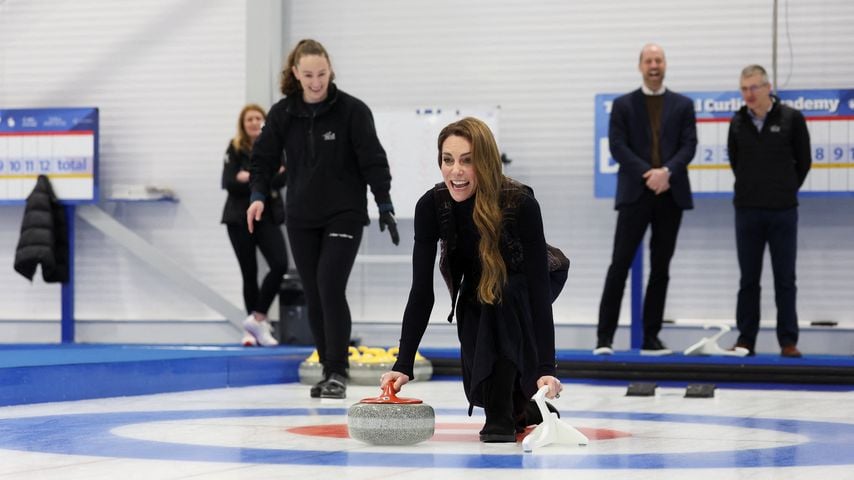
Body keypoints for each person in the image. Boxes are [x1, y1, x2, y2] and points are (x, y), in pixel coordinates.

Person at [380, 117, 567, 443]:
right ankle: (522, 407)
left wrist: (546, 368)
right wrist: (403, 362)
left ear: (486, 162)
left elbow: (537, 289)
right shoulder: (431, 206)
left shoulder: (520, 202)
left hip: (534, 279)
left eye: (467, 161)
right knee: (475, 312)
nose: (456, 171)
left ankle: (500, 415)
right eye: (448, 160)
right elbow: (422, 292)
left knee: (502, 297)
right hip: (479, 286)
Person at [247, 39, 399, 399]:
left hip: (344, 213)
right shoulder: (284, 113)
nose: (316, 82)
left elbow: (373, 160)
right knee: (314, 293)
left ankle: (336, 372)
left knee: (330, 284)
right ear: (296, 74)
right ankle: (326, 366)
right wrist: (256, 195)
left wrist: (384, 202)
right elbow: (263, 159)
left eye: (322, 74)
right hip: (301, 215)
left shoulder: (352, 111)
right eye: (309, 75)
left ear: (331, 71)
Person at [594, 43, 697, 356]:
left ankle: (651, 338)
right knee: (619, 265)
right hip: (635, 194)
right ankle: (604, 338)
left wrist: (666, 172)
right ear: (641, 66)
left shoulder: (683, 105)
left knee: (661, 268)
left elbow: (689, 145)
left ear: (665, 65)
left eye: (659, 60)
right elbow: (617, 146)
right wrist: (649, 174)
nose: (654, 65)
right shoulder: (624, 105)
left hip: (670, 194)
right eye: (649, 60)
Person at [727, 64, 811, 358]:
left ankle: (788, 340)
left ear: (767, 87)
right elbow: (735, 163)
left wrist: (784, 189)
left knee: (784, 278)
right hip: (747, 211)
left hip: (783, 211)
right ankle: (745, 340)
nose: (749, 94)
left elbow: (804, 162)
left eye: (754, 88)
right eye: (744, 89)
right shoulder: (737, 122)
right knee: (748, 279)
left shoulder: (792, 119)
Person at [221, 104, 287, 347]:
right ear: (243, 123)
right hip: (239, 217)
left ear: (265, 121)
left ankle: (257, 318)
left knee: (280, 264)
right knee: (249, 272)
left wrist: (247, 175)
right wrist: (263, 176)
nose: (253, 122)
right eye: (249, 119)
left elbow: (283, 178)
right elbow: (229, 182)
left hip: (267, 215)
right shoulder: (235, 147)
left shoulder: (275, 146)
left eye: (258, 118)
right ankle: (252, 330)